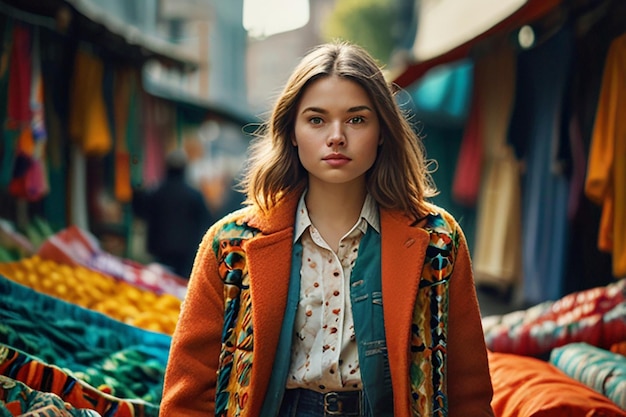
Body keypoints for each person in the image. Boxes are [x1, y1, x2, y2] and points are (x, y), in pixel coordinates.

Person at [161, 41, 494, 417]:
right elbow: (188, 395)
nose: (336, 136)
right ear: (291, 130)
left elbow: (468, 391)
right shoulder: (231, 244)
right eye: (316, 120)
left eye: (357, 119)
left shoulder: (437, 240)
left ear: (383, 130)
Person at [132, 148, 213, 278]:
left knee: (161, 285)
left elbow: (141, 212)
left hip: (159, 249)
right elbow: (206, 221)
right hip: (186, 251)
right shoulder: (194, 195)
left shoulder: (156, 193)